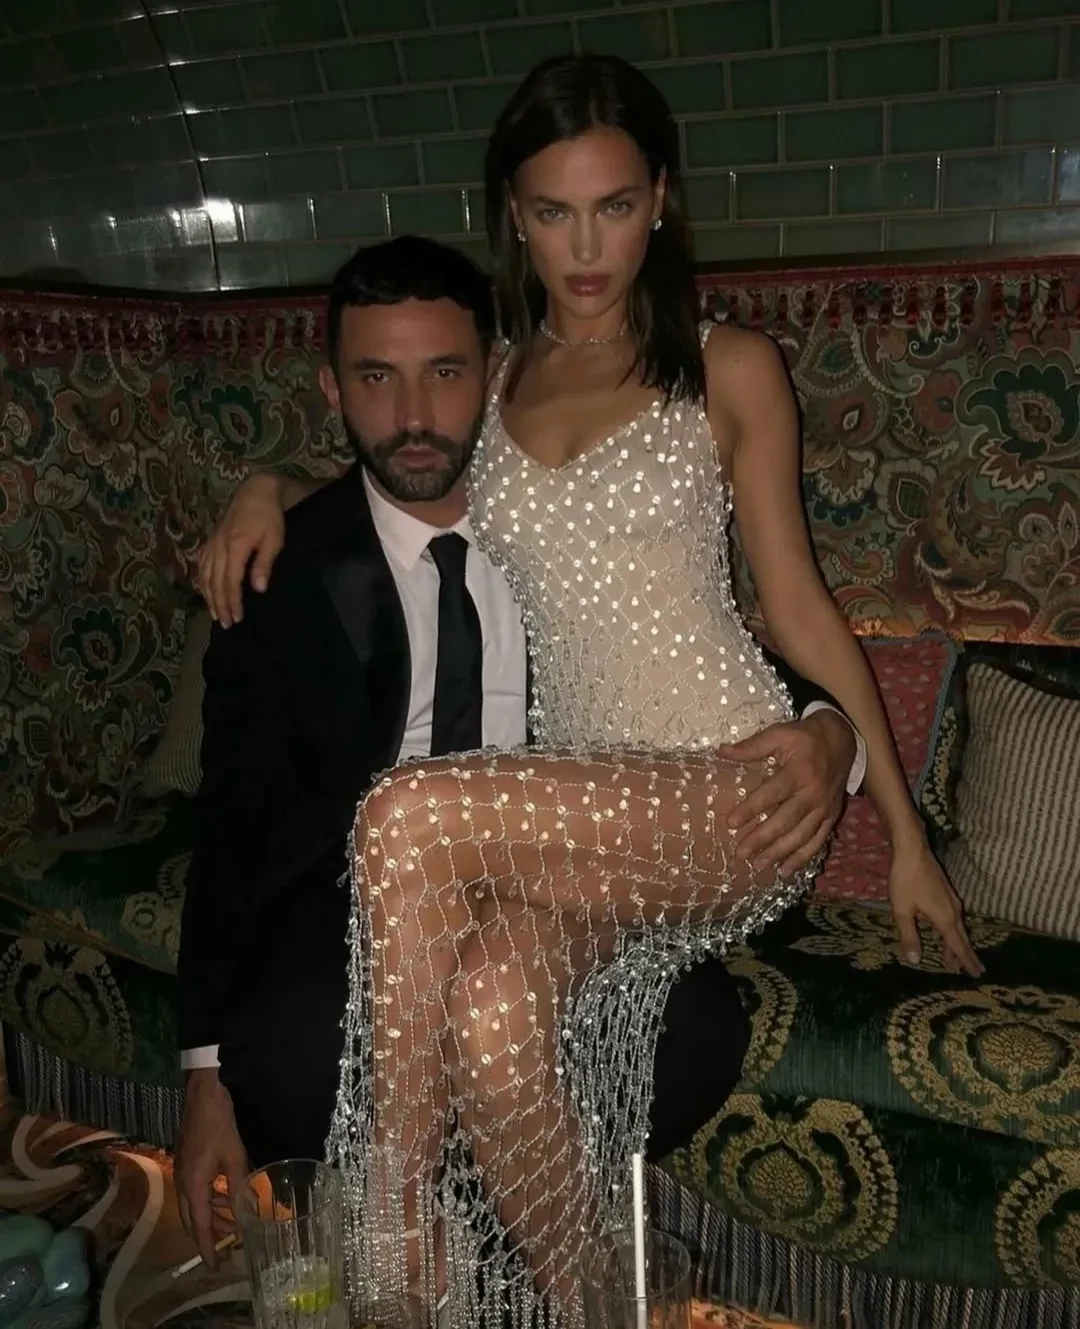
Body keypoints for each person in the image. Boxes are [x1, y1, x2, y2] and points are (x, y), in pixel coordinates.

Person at [200, 54, 982, 1327]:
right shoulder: (499, 377)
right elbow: (399, 466)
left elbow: (797, 606)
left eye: (614, 206)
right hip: (581, 820)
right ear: (512, 215)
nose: (585, 246)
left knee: (404, 815)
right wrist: (269, 488)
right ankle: (596, 1302)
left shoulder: (728, 366)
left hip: (731, 787)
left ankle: (393, 1228)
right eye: (553, 211)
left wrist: (900, 831)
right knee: (494, 1011)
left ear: (661, 200)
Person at [175, 235, 863, 1277]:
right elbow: (230, 820)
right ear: (333, 389)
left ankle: (436, 1251)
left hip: (569, 876)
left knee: (692, 1033)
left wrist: (829, 729)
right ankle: (477, 1256)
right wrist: (202, 1072)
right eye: (377, 378)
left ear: (494, 372)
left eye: (446, 373)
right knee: (280, 1050)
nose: (414, 415)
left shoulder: (547, 518)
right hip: (356, 903)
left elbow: (693, 642)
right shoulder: (281, 568)